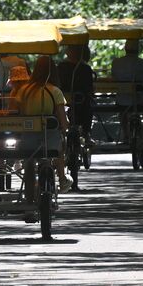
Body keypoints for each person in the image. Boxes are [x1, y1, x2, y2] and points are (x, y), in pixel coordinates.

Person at [14, 55, 71, 192]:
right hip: (49, 140)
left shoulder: (24, 90)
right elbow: (63, 122)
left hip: (28, 140)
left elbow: (17, 114)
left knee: (29, 163)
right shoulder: (55, 91)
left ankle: (28, 195)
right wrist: (65, 128)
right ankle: (62, 179)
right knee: (59, 147)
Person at [54, 43, 94, 190]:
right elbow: (89, 88)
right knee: (89, 106)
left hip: (65, 104)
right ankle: (87, 132)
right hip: (79, 105)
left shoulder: (60, 67)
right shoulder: (84, 68)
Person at [111, 38, 143, 155]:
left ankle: (126, 134)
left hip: (122, 99)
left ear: (125, 48)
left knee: (122, 109)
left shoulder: (116, 62)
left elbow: (113, 76)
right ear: (138, 49)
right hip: (140, 99)